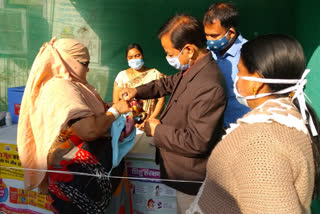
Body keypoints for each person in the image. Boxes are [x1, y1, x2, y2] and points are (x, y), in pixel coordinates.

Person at [187, 34, 320, 213]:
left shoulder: (261, 142)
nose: (237, 78)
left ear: (255, 83)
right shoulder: (290, 118)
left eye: (240, 72)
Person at [120, 14, 227, 214]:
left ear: (189, 49)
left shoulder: (209, 84)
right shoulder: (194, 69)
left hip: (192, 180)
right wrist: (138, 91)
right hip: (179, 172)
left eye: (170, 53)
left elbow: (197, 141)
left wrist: (157, 130)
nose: (168, 58)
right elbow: (167, 83)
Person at [17, 38, 132, 214]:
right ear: (67, 60)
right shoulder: (61, 88)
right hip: (78, 179)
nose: (88, 69)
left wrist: (109, 110)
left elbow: (87, 116)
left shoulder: (74, 84)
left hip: (88, 176)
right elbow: (89, 130)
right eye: (85, 63)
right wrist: (115, 111)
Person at [203, 2, 250, 128]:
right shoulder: (208, 53)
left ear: (231, 33)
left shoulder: (250, 54)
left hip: (242, 127)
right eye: (206, 35)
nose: (209, 40)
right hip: (214, 128)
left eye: (214, 36)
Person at [113, 44, 165, 130]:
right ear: (127, 59)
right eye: (131, 57)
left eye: (137, 55)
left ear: (142, 56)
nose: (134, 59)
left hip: (149, 125)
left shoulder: (154, 74)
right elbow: (116, 102)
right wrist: (128, 121)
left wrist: (150, 119)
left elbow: (161, 100)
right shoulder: (121, 76)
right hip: (127, 125)